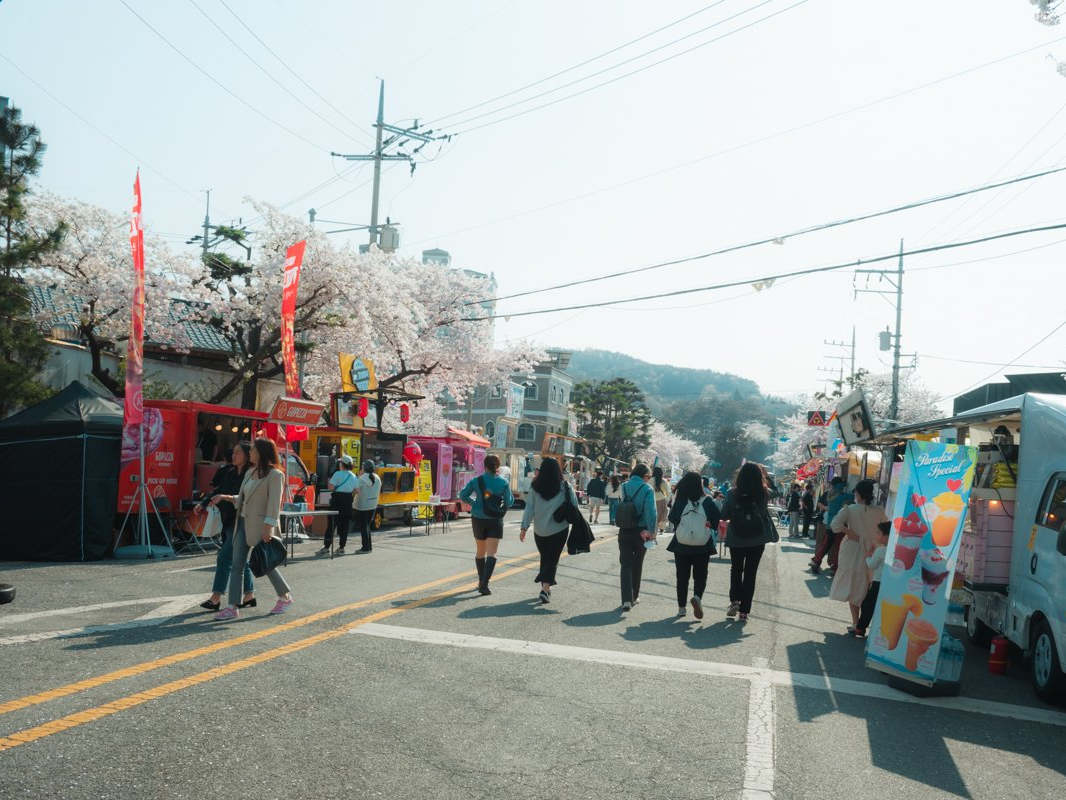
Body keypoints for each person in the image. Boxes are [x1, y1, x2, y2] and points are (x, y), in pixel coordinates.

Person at [212, 437, 294, 620]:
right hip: (241, 523)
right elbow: (243, 498)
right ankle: (232, 606)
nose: (250, 452)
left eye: (253, 449)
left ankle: (285, 597)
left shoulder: (275, 475)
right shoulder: (250, 472)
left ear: (263, 452)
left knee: (266, 563)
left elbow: (274, 505)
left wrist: (269, 528)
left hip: (261, 526)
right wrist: (225, 497)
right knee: (237, 565)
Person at [199, 441, 255, 611]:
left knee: (224, 558)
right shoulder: (229, 472)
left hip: (242, 521)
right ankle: (249, 595)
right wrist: (203, 503)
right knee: (240, 559)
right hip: (228, 521)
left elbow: (245, 497)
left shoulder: (251, 475)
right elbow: (217, 490)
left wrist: (225, 497)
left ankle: (216, 598)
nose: (234, 455)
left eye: (238, 453)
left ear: (247, 455)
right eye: (233, 452)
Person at [829, 479, 888, 632]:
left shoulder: (849, 509)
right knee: (870, 583)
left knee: (854, 583)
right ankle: (864, 622)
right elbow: (888, 528)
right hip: (875, 549)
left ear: (858, 494)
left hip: (853, 548)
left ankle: (856, 623)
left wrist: (849, 532)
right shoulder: (880, 511)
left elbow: (835, 525)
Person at [720, 462, 776, 622]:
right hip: (757, 538)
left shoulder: (731, 493)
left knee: (736, 569)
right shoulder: (765, 493)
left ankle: (734, 601)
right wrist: (765, 473)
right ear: (761, 477)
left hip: (736, 537)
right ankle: (744, 612)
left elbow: (724, 515)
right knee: (750, 573)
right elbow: (777, 490)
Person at [519, 458, 574, 604]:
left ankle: (546, 586)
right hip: (559, 528)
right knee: (553, 559)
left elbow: (529, 508)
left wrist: (524, 527)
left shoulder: (535, 487)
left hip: (540, 530)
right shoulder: (565, 486)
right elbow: (574, 506)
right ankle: (545, 589)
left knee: (545, 557)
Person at [667, 471, 721, 619]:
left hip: (681, 544)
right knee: (701, 575)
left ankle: (681, 608)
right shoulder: (708, 501)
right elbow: (717, 520)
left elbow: (671, 517)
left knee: (682, 576)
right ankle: (697, 597)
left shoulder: (681, 501)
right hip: (702, 545)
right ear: (700, 484)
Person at [459, 454, 514, 595]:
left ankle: (480, 581)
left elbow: (463, 495)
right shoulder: (503, 482)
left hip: (478, 518)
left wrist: (475, 504)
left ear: (484, 466)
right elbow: (509, 503)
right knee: (492, 553)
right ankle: (485, 584)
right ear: (497, 467)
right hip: (495, 520)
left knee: (480, 551)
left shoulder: (476, 481)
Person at [617, 463, 657, 611]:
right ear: (645, 475)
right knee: (637, 562)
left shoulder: (625, 486)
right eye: (649, 476)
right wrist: (651, 531)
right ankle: (634, 596)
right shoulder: (647, 489)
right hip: (641, 531)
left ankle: (626, 599)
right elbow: (651, 512)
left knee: (625, 564)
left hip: (625, 529)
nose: (649, 479)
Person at [853, 521, 890, 638]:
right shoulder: (894, 550)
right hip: (889, 584)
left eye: (879, 533)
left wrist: (868, 557)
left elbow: (872, 565)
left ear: (887, 537)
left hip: (877, 583)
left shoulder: (880, 551)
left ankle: (860, 628)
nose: (877, 535)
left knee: (867, 605)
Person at [809, 477, 853, 574]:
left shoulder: (829, 494)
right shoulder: (841, 496)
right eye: (841, 484)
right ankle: (835, 567)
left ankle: (816, 561)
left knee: (826, 545)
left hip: (830, 524)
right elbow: (852, 497)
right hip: (839, 524)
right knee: (838, 547)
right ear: (838, 485)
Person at [317, 455, 357, 555]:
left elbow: (330, 487)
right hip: (348, 501)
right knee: (344, 526)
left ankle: (326, 547)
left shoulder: (337, 474)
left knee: (331, 524)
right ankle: (341, 548)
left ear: (342, 464)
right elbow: (357, 490)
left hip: (337, 500)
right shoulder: (353, 476)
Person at [351, 460, 382, 553]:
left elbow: (356, 491)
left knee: (363, 526)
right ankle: (369, 547)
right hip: (373, 505)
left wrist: (359, 475)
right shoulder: (377, 478)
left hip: (362, 505)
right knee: (367, 525)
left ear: (364, 468)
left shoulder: (361, 479)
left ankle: (365, 547)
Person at [651, 465, 671, 534]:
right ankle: (662, 529)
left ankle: (654, 532)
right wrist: (667, 500)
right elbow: (669, 491)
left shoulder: (651, 480)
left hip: (652, 500)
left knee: (654, 517)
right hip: (662, 500)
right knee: (662, 516)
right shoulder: (664, 481)